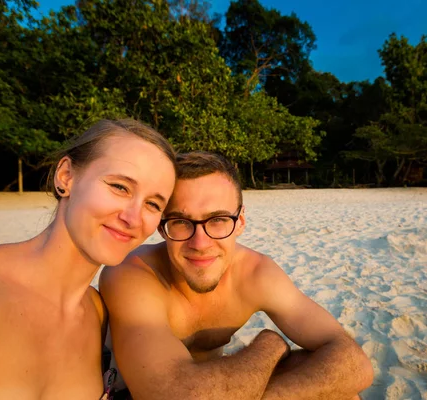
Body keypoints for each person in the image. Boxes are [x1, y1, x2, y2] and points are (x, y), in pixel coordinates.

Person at [100, 151, 374, 400]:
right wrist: (269, 347)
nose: (200, 243)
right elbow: (169, 393)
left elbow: (354, 363)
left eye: (217, 220)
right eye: (181, 222)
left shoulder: (256, 273)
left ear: (240, 221)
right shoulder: (133, 274)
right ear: (162, 228)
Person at [0, 119, 177, 399]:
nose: (133, 218)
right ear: (66, 176)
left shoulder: (99, 315)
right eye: (119, 187)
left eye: (153, 204)